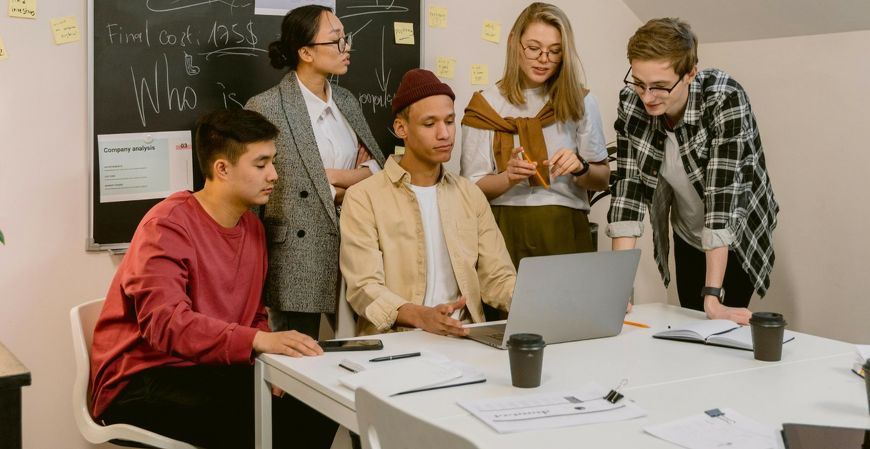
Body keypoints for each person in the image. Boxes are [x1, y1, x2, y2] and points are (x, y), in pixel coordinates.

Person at [89, 109, 337, 449]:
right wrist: (256, 342)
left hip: (208, 366)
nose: (274, 175)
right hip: (140, 378)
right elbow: (166, 325)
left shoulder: (253, 228)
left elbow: (253, 315)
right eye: (261, 164)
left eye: (273, 161)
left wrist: (271, 360)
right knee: (269, 422)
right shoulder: (166, 226)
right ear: (222, 169)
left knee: (318, 403)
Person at [607, 18, 779, 324]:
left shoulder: (724, 98)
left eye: (660, 86)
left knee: (721, 325)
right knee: (691, 323)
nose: (647, 97)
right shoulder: (632, 104)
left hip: (736, 234)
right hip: (687, 233)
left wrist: (712, 297)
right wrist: (617, 288)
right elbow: (627, 192)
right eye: (639, 83)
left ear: (690, 74)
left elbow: (721, 198)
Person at [339, 69, 516, 337]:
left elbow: (497, 278)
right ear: (401, 128)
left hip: (464, 338)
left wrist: (536, 299)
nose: (444, 134)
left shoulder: (470, 195)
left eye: (450, 121)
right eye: (430, 124)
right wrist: (422, 317)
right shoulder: (364, 197)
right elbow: (364, 289)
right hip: (396, 343)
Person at [245, 5, 386, 339]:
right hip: (296, 257)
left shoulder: (346, 101)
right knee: (295, 356)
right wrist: (345, 184)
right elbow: (253, 193)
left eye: (346, 38)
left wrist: (333, 177)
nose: (346, 47)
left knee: (359, 347)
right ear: (305, 52)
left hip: (355, 244)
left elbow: (379, 169)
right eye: (336, 40)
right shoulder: (266, 107)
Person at [461, 2, 611, 269]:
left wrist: (581, 167)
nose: (544, 59)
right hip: (501, 230)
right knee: (505, 298)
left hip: (564, 228)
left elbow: (602, 179)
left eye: (555, 51)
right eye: (533, 48)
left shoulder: (580, 101)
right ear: (513, 42)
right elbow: (470, 188)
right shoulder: (486, 106)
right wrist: (507, 178)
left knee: (570, 298)